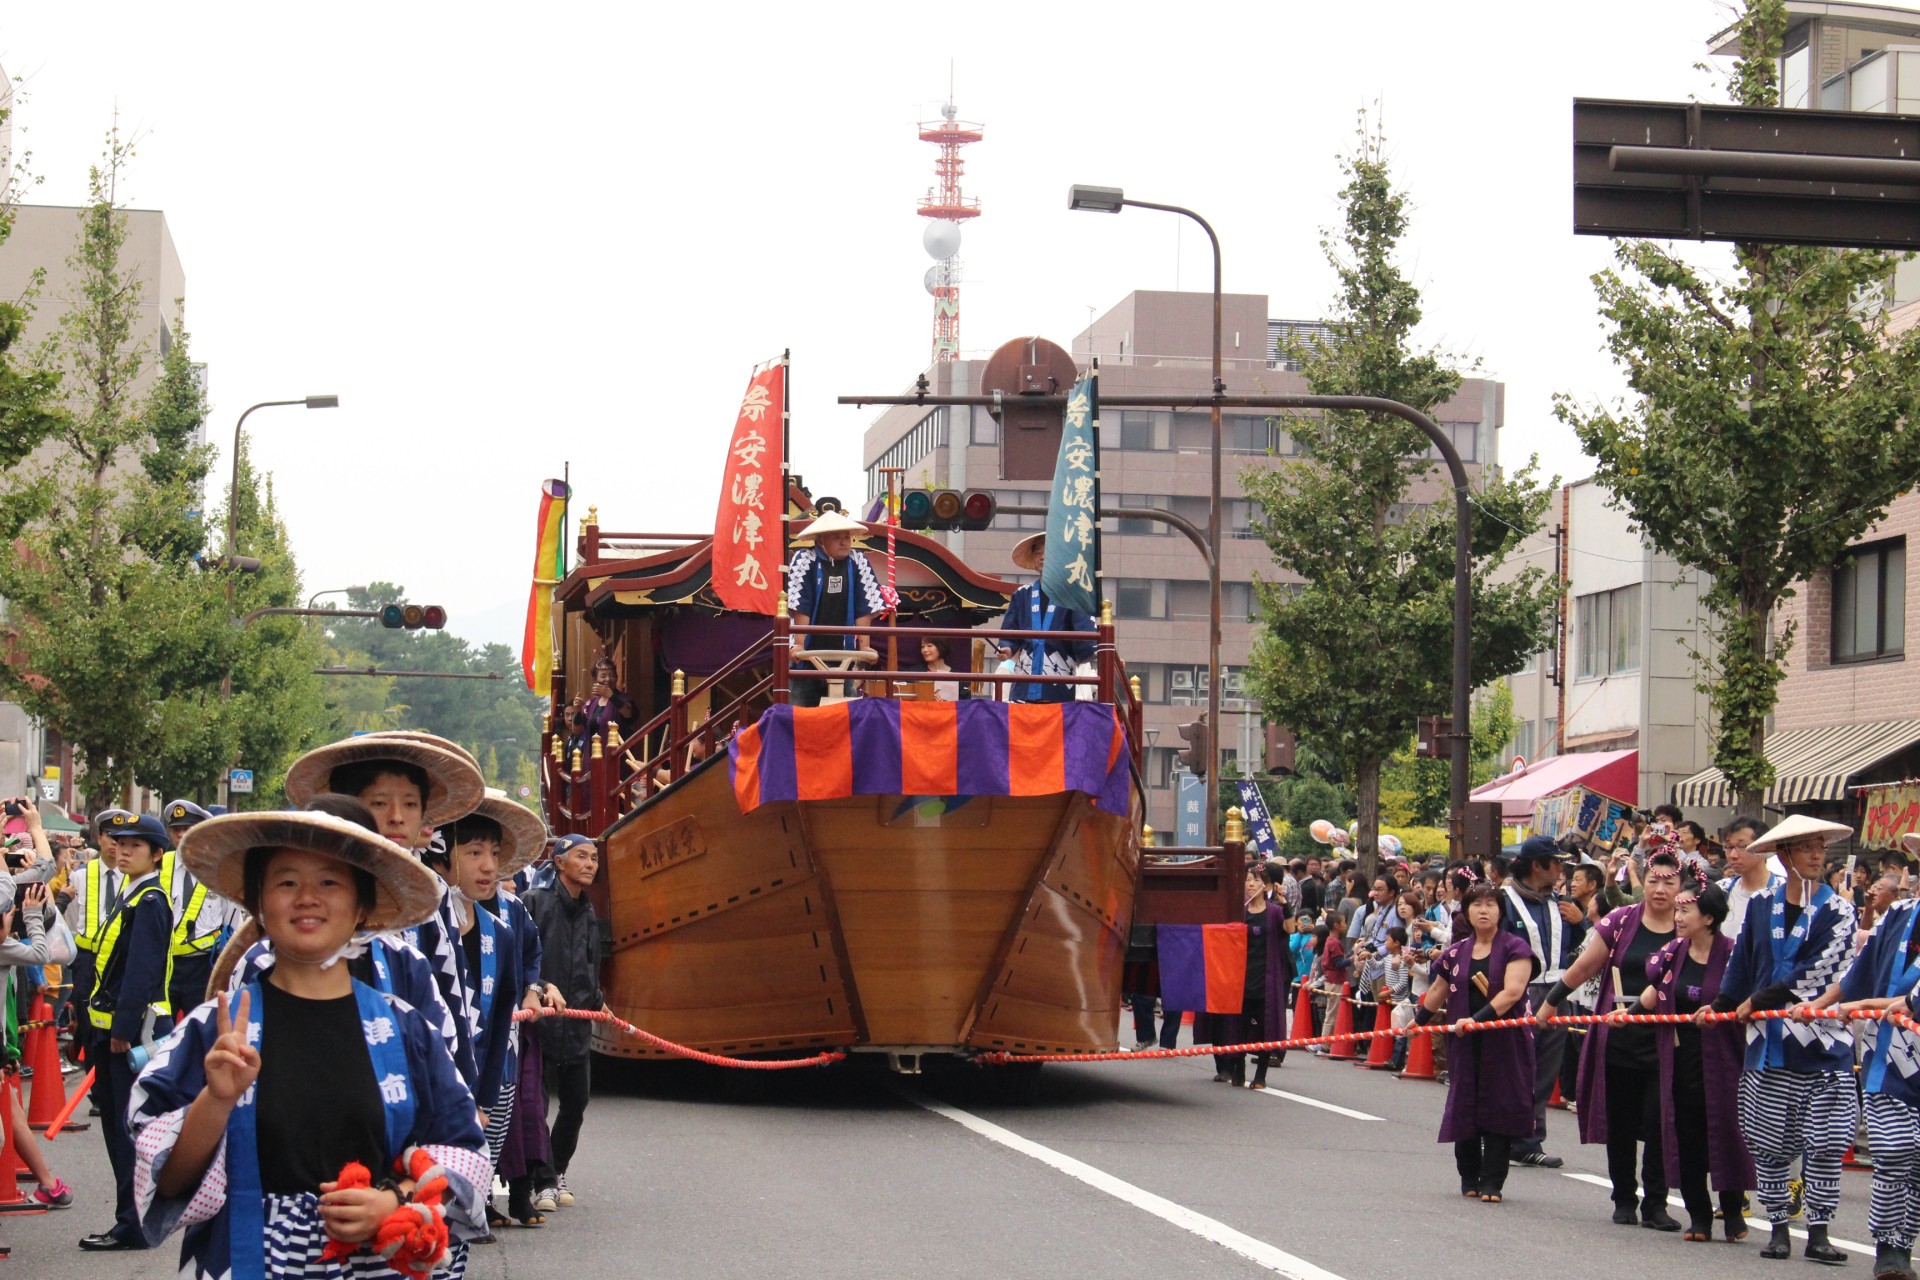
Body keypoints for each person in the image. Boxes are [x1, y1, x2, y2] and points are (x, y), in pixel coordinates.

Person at [129, 804, 490, 1279]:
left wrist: (393, 1200)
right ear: (257, 904)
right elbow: (168, 1178)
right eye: (286, 881)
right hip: (250, 1261)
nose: (306, 898)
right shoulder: (213, 1027)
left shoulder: (406, 1030)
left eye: (329, 882)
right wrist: (217, 1099)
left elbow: (464, 1149)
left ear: (362, 907)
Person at [1714, 814, 1858, 1265]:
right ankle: (1778, 1227)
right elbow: (1740, 965)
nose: (1817, 855)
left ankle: (1819, 1231)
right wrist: (1721, 1006)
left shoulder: (1841, 911)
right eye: (1807, 847)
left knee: (1826, 1144)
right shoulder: (1761, 906)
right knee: (1769, 1140)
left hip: (1824, 1046)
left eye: (1821, 847)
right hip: (1768, 1044)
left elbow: (1820, 971)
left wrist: (1755, 1000)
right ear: (1785, 855)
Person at [1538, 848, 1685, 1231]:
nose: (1660, 889)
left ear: (1682, 888)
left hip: (1667, 1040)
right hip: (1619, 1036)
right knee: (1620, 1122)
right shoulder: (1621, 920)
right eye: (1653, 880)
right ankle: (1623, 1197)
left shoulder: (1687, 926)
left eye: (1670, 882)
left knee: (1659, 1122)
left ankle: (1656, 1202)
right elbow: (1586, 964)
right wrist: (1551, 1003)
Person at [1801, 835, 1920, 1280]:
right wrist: (1825, 1003)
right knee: (1893, 1148)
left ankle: (1903, 1240)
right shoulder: (1901, 915)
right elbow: (1859, 972)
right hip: (1887, 1052)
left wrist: (1901, 1003)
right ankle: (1889, 1246)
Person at [1623, 880, 1755, 1242]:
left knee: (1726, 1133)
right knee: (1686, 1135)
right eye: (1677, 910)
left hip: (1724, 1061)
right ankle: (1698, 1214)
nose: (1677, 917)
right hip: (1680, 1059)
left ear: (1709, 917)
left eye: (1685, 910)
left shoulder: (1733, 954)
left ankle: (1732, 1212)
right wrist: (1630, 1015)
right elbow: (1658, 990)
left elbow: (1749, 1000)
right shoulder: (1673, 953)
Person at [78, 812, 177, 1252]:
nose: (123, 849)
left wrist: (123, 1028)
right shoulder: (131, 892)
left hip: (129, 1033)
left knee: (126, 1133)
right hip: (113, 1029)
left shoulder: (150, 900)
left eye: (136, 845)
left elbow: (142, 970)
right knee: (120, 1131)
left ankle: (131, 1225)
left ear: (157, 854)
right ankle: (130, 1221)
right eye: (119, 842)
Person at [1417, 881, 1536, 1203]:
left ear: (1500, 911)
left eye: (1490, 904)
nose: (1483, 910)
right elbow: (1438, 991)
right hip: (1464, 1043)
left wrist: (1477, 1019)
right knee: (1464, 1106)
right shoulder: (1455, 952)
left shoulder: (1516, 948)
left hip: (1504, 1043)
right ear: (1467, 911)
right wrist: (1417, 1023)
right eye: (1477, 904)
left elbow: (1512, 992)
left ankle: (1492, 1182)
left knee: (1500, 1107)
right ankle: (1469, 1176)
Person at [521, 833, 604, 1214]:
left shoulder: (589, 913)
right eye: (582, 857)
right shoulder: (534, 904)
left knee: (576, 1102)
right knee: (535, 1105)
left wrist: (601, 1005)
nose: (590, 864)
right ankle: (543, 1180)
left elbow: (590, 967)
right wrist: (536, 988)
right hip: (539, 1022)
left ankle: (557, 1171)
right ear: (559, 862)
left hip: (577, 1023)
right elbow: (521, 961)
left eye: (594, 859)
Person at [1500, 836, 1584, 1171]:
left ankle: (1529, 1140)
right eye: (1557, 863)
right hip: (1520, 993)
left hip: (1556, 993)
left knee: (1544, 1071)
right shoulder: (1503, 900)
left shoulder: (1561, 903)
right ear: (1537, 866)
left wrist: (1582, 923)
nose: (1562, 869)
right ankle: (1501, 1135)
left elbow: (1580, 946)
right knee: (1516, 1068)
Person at [1203, 863, 1292, 1088]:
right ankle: (1238, 1070)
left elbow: (1290, 929)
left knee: (1264, 1025)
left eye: (1256, 880)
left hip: (1266, 977)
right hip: (1240, 977)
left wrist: (1286, 905)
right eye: (1248, 879)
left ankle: (1260, 1075)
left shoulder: (1274, 911)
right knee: (1238, 1025)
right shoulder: (1239, 910)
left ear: (1267, 885)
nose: (1250, 884)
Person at [787, 510, 886, 708]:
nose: (844, 543)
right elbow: (800, 602)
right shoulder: (804, 559)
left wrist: (864, 646)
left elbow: (864, 603)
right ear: (821, 539)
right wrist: (799, 643)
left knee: (843, 717)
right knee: (802, 718)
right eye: (837, 537)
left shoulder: (858, 561)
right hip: (807, 656)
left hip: (844, 655)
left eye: (847, 537)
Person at [1001, 533, 1096, 704]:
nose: (1043, 557)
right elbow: (1009, 632)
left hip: (1059, 679)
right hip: (1025, 679)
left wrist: (1099, 654)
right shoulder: (1022, 594)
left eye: (1049, 552)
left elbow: (1086, 635)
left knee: (1056, 726)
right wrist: (1006, 649)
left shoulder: (1073, 593)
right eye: (1037, 553)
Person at [160, 800, 224, 1022]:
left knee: (200, 1028)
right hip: (164, 963)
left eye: (188, 829)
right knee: (160, 1032)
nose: (181, 835)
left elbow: (232, 923)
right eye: (176, 830)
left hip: (203, 965)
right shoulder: (158, 864)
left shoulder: (219, 868)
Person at [1716, 817, 1780, 941]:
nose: (1733, 855)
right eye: (1728, 847)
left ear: (1763, 847)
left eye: (1742, 846)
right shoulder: (1721, 889)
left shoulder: (1783, 890)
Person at [568, 655, 639, 750]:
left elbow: (628, 713)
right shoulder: (590, 704)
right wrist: (578, 711)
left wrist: (611, 696)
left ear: (617, 678)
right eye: (603, 676)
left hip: (615, 757)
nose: (608, 679)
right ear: (595, 679)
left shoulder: (624, 699)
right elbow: (576, 731)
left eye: (612, 675)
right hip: (592, 757)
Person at [917, 637, 964, 701]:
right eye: (922, 646)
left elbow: (965, 705)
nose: (924, 650)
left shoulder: (958, 676)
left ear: (941, 647)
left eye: (929, 646)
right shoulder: (915, 672)